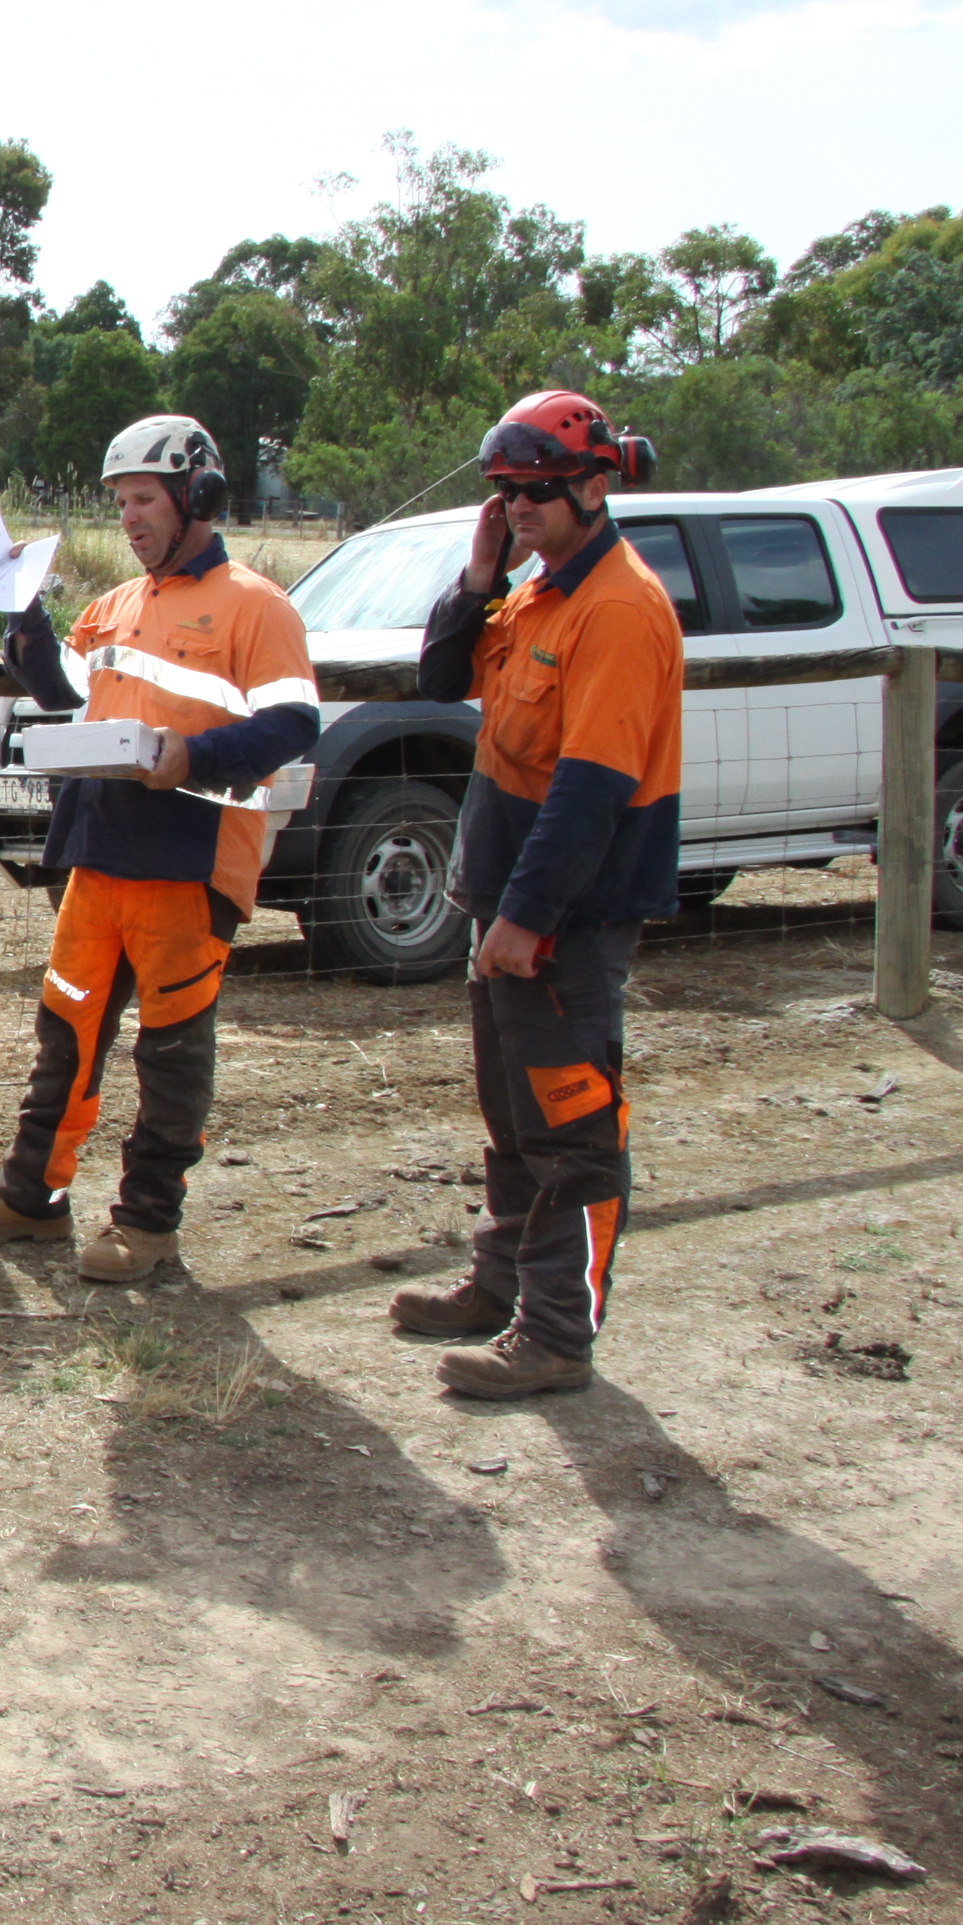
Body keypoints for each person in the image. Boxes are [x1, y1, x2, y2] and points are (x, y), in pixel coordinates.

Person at [0, 416, 318, 1281]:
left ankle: (148, 1224)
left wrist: (193, 758)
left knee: (171, 1053)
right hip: (100, 852)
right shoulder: (115, 606)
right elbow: (65, 698)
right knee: (64, 1034)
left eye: (143, 500)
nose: (129, 518)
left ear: (198, 498)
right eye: (120, 503)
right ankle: (33, 1200)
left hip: (188, 858)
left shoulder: (257, 606)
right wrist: (20, 611)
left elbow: (295, 721)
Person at [390, 391, 677, 1399]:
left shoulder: (619, 608)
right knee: (512, 1115)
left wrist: (526, 919)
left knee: (570, 1124)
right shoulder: (537, 594)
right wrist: (477, 578)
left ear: (594, 485)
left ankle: (556, 1333)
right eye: (503, 492)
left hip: (567, 914)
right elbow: (436, 680)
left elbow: (592, 790)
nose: (516, 507)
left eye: (535, 491)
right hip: (506, 901)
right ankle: (501, 1281)